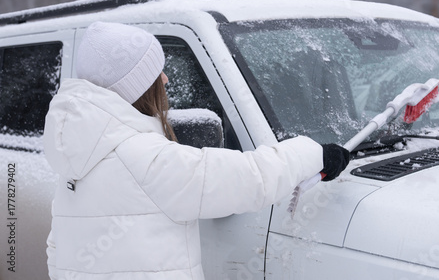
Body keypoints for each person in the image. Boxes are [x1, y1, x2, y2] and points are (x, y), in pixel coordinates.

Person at [43, 21, 350, 280]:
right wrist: (314, 154)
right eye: (156, 73)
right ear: (137, 88)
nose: (165, 78)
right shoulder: (147, 159)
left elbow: (56, 251)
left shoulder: (77, 160)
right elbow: (250, 177)